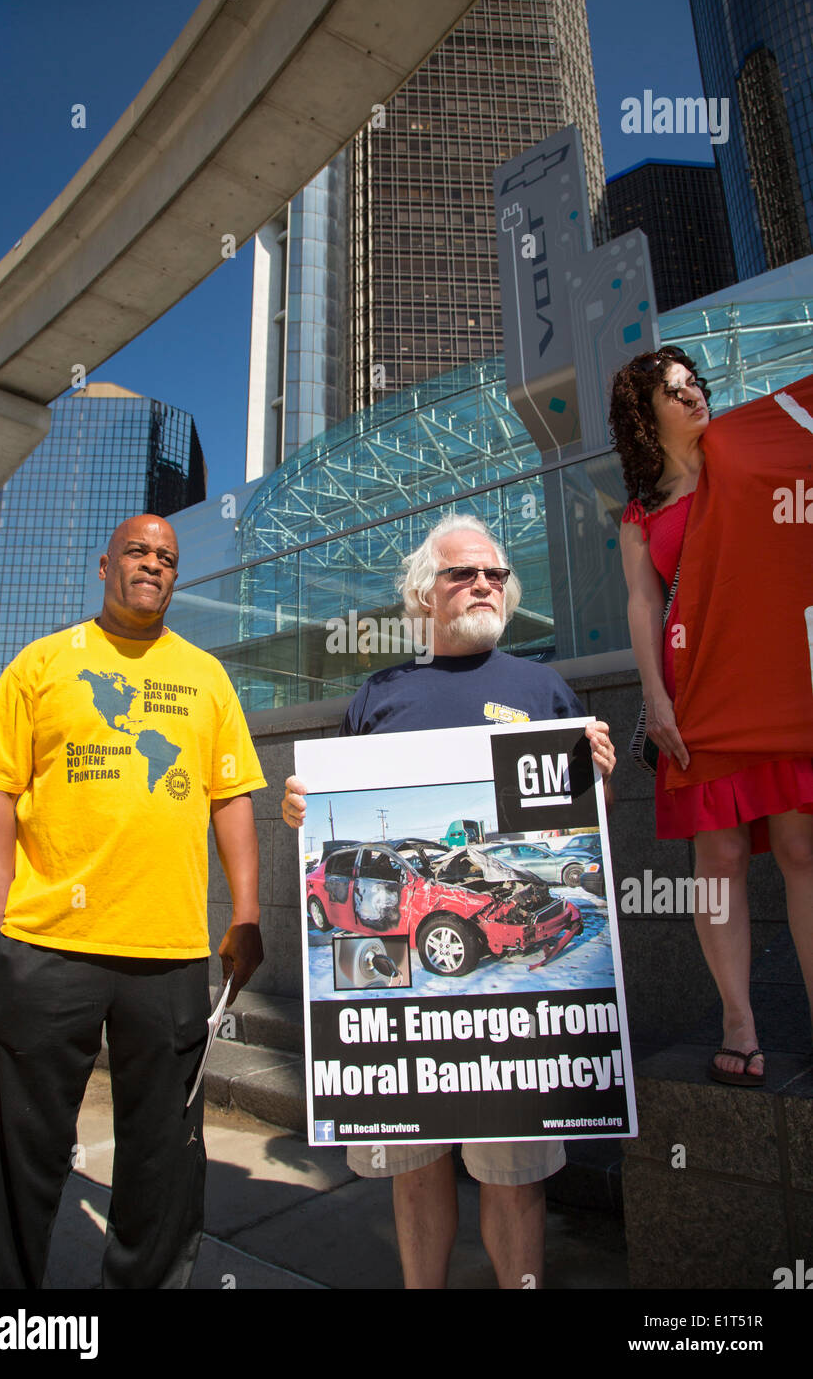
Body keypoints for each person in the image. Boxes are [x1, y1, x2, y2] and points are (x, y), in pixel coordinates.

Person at [282, 512, 616, 1289]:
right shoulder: (378, 695)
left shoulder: (544, 686)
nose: (484, 586)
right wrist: (303, 805)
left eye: (495, 575)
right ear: (424, 595)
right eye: (464, 574)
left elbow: (575, 821)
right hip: (406, 1032)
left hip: (511, 1042)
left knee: (515, 1174)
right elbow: (332, 807)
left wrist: (593, 773)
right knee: (416, 1165)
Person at [0, 514, 266, 1289]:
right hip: (45, 947)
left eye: (166, 557)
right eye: (138, 551)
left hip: (165, 954)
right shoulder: (44, 663)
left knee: (163, 1161)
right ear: (105, 566)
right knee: (20, 1159)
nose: (153, 564)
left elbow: (232, 799)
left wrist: (248, 916)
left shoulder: (206, 676)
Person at [612, 347, 813, 1087]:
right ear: (646, 414)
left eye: (695, 382)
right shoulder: (638, 517)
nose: (693, 394)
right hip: (697, 696)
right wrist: (655, 698)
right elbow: (641, 605)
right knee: (717, 861)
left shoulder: (748, 450)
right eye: (674, 390)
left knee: (801, 851)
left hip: (777, 682)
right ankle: (739, 1020)